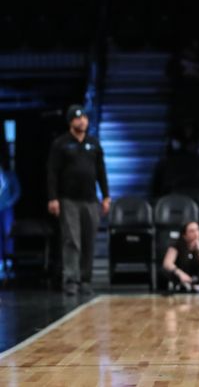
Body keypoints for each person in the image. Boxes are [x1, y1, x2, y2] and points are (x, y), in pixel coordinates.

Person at [46, 105, 110, 296]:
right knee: (72, 240)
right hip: (69, 200)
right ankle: (71, 280)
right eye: (78, 118)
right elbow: (52, 172)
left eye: (84, 118)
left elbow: (101, 171)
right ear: (70, 122)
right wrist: (53, 198)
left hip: (90, 200)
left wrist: (106, 195)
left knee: (89, 240)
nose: (82, 121)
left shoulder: (94, 143)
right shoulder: (61, 144)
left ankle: (85, 279)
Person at [161, 221, 199, 292]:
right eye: (191, 231)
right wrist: (180, 274)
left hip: (198, 277)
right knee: (164, 272)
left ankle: (195, 286)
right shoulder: (176, 245)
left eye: (198, 230)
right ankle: (183, 285)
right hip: (181, 274)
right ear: (184, 235)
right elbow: (167, 263)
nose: (196, 233)